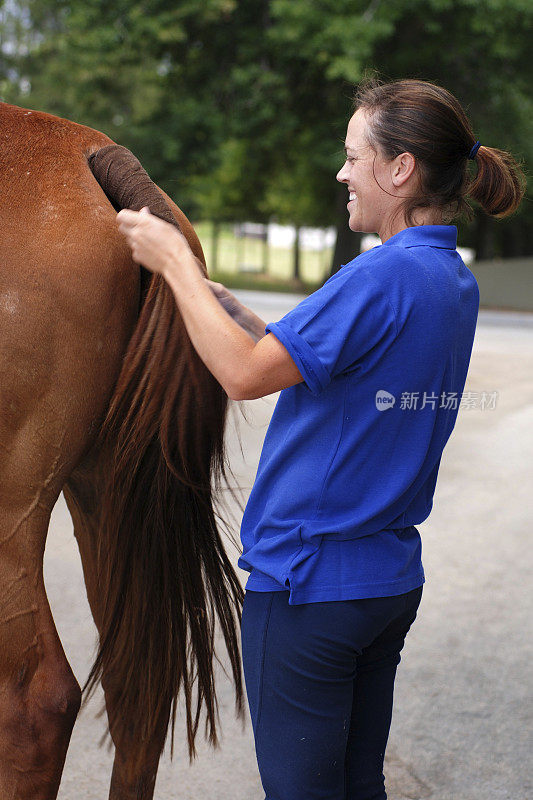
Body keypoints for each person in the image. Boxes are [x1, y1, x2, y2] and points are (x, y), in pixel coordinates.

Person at [116, 78, 525, 800]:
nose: (340, 173)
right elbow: (319, 361)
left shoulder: (378, 276)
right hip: (385, 581)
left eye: (351, 155)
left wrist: (176, 264)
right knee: (356, 786)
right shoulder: (445, 279)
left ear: (399, 170)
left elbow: (243, 377)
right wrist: (230, 309)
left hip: (311, 589)